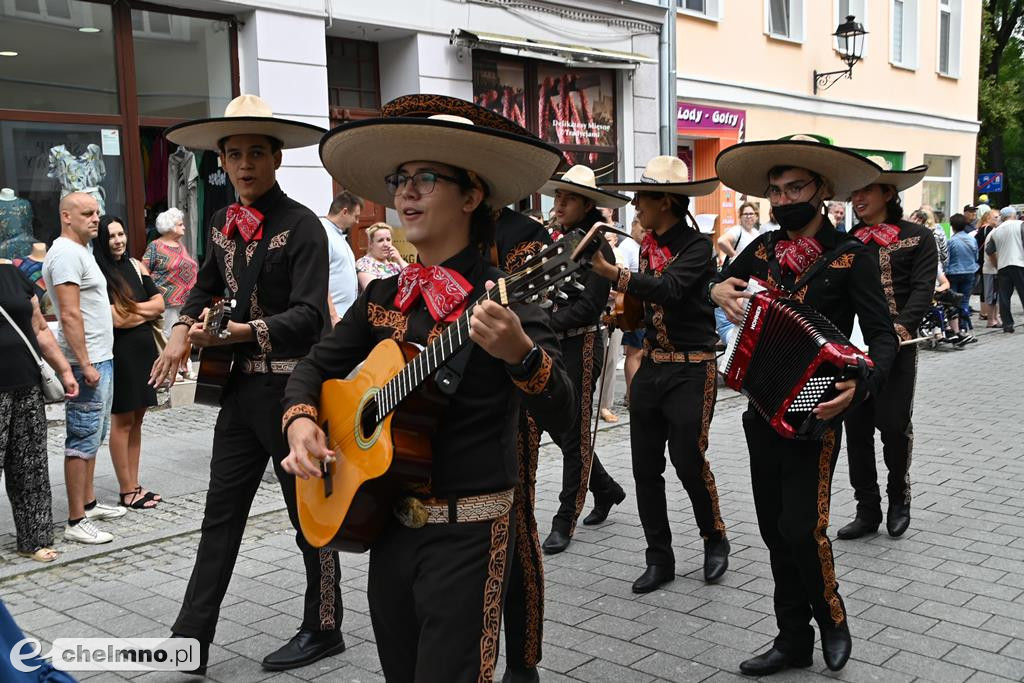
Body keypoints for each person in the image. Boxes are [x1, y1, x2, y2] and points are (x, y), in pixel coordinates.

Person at [282, 93, 573, 683]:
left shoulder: (506, 295)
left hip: (469, 530)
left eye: (426, 178)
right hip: (386, 523)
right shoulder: (385, 295)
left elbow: (566, 411)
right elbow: (313, 365)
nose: (405, 192)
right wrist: (301, 420)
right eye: (399, 178)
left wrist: (520, 354)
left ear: (471, 195)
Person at [148, 94, 342, 674]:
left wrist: (237, 332)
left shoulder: (303, 226)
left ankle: (325, 625)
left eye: (257, 151)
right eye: (235, 154)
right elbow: (204, 287)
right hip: (237, 394)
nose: (246, 164)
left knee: (311, 516)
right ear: (223, 162)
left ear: (277, 158)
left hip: (294, 396)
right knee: (220, 514)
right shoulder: (219, 222)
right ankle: (191, 638)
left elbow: (312, 316)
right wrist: (183, 328)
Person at [711, 137, 898, 675]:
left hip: (817, 410)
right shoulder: (764, 248)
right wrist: (715, 291)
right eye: (775, 189)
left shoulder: (852, 256)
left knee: (801, 528)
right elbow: (711, 280)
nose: (783, 197)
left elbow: (884, 338)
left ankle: (832, 619)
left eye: (795, 187)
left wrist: (861, 388)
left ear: (821, 191)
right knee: (772, 527)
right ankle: (791, 639)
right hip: (758, 405)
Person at [596, 155, 730, 593]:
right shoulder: (646, 247)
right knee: (643, 468)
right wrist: (618, 309)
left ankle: (714, 537)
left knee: (689, 462)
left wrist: (616, 275)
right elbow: (641, 304)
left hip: (693, 370)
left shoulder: (696, 247)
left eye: (642, 198)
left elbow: (671, 290)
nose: (635, 206)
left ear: (666, 202)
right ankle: (660, 558)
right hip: (652, 367)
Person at [838, 163, 936, 541]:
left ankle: (899, 498)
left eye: (867, 191)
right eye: (854, 193)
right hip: (852, 350)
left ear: (889, 194)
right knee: (856, 428)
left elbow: (923, 292)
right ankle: (867, 509)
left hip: (897, 346)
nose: (858, 199)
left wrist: (895, 334)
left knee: (893, 425)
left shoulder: (919, 237)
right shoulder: (847, 241)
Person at [537, 164, 629, 554]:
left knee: (573, 431)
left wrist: (540, 323)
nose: (559, 203)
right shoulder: (557, 240)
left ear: (587, 204)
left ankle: (564, 520)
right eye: (558, 196)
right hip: (554, 342)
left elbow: (589, 308)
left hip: (583, 344)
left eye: (568, 198)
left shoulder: (599, 247)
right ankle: (605, 488)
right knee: (558, 428)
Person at [43, 192, 126, 545]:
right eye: (87, 213)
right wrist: (85, 364)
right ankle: (76, 520)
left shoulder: (82, 251)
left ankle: (89, 504)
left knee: (94, 435)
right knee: (81, 437)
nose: (96, 218)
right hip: (85, 362)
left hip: (98, 357)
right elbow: (70, 312)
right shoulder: (63, 254)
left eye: (97, 212)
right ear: (66, 216)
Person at [0, 262, 78, 562]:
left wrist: (64, 370)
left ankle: (33, 539)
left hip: (27, 384)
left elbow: (40, 328)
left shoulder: (13, 273)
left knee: (30, 465)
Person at [92, 216, 165, 510]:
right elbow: (115, 319)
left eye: (121, 234)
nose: (118, 240)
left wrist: (132, 309)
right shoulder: (99, 271)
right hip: (121, 355)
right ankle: (126, 489)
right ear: (101, 240)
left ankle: (135, 484)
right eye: (111, 236)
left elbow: (159, 303)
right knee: (122, 422)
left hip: (144, 353)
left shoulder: (136, 265)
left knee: (138, 420)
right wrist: (142, 312)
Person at [143, 207, 198, 340]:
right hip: (168, 303)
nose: (184, 227)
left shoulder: (179, 245)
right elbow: (143, 271)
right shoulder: (155, 246)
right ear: (170, 227)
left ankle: (184, 361)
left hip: (186, 301)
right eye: (180, 224)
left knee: (185, 337)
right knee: (170, 337)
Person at [715, 201, 762, 343]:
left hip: (751, 280)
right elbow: (722, 241)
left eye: (751, 214)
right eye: (745, 214)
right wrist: (735, 256)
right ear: (740, 217)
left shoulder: (755, 233)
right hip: (736, 278)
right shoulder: (737, 230)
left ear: (756, 216)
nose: (748, 217)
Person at [322, 191, 362, 326]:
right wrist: (333, 316)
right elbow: (320, 277)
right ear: (345, 212)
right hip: (332, 317)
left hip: (343, 315)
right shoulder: (323, 232)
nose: (357, 222)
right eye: (355, 217)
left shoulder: (338, 234)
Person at [598, 229, 625, 423]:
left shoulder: (619, 256)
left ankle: (605, 404)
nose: (606, 243)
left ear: (615, 240)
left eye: (609, 239)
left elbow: (623, 285)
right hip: (595, 309)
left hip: (615, 310)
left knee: (611, 358)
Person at [985, 209, 1024, 333]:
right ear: (1014, 215)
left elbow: (989, 250)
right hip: (1020, 264)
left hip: (1003, 267)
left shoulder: (996, 231)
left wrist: (997, 264)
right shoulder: (1020, 225)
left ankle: (1007, 324)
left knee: (1004, 296)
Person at [946, 213, 979, 341]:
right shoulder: (972, 239)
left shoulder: (952, 241)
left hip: (954, 273)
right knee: (965, 301)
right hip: (970, 272)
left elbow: (947, 259)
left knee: (953, 301)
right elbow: (976, 255)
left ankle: (955, 330)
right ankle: (964, 328)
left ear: (952, 226)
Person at [356, 222, 407, 290]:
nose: (386, 244)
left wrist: (399, 259)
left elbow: (414, 279)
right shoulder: (364, 264)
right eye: (380, 240)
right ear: (371, 243)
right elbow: (374, 292)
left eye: (388, 240)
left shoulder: (395, 265)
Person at [909, 208, 948, 272]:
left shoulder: (922, 233)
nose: (915, 221)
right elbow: (944, 253)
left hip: (926, 268)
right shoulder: (939, 231)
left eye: (919, 220)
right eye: (915, 218)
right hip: (934, 266)